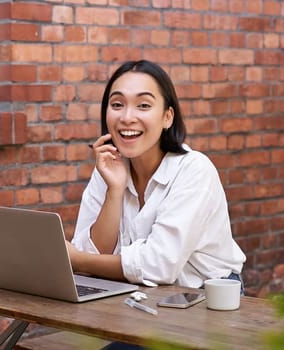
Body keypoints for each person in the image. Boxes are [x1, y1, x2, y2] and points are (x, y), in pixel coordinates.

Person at [65, 59, 246, 294]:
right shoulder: (109, 168)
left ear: (167, 117)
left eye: (143, 105)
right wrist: (115, 190)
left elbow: (159, 265)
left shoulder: (194, 170)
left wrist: (77, 260)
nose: (127, 117)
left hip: (207, 298)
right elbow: (92, 259)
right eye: (117, 104)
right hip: (138, 296)